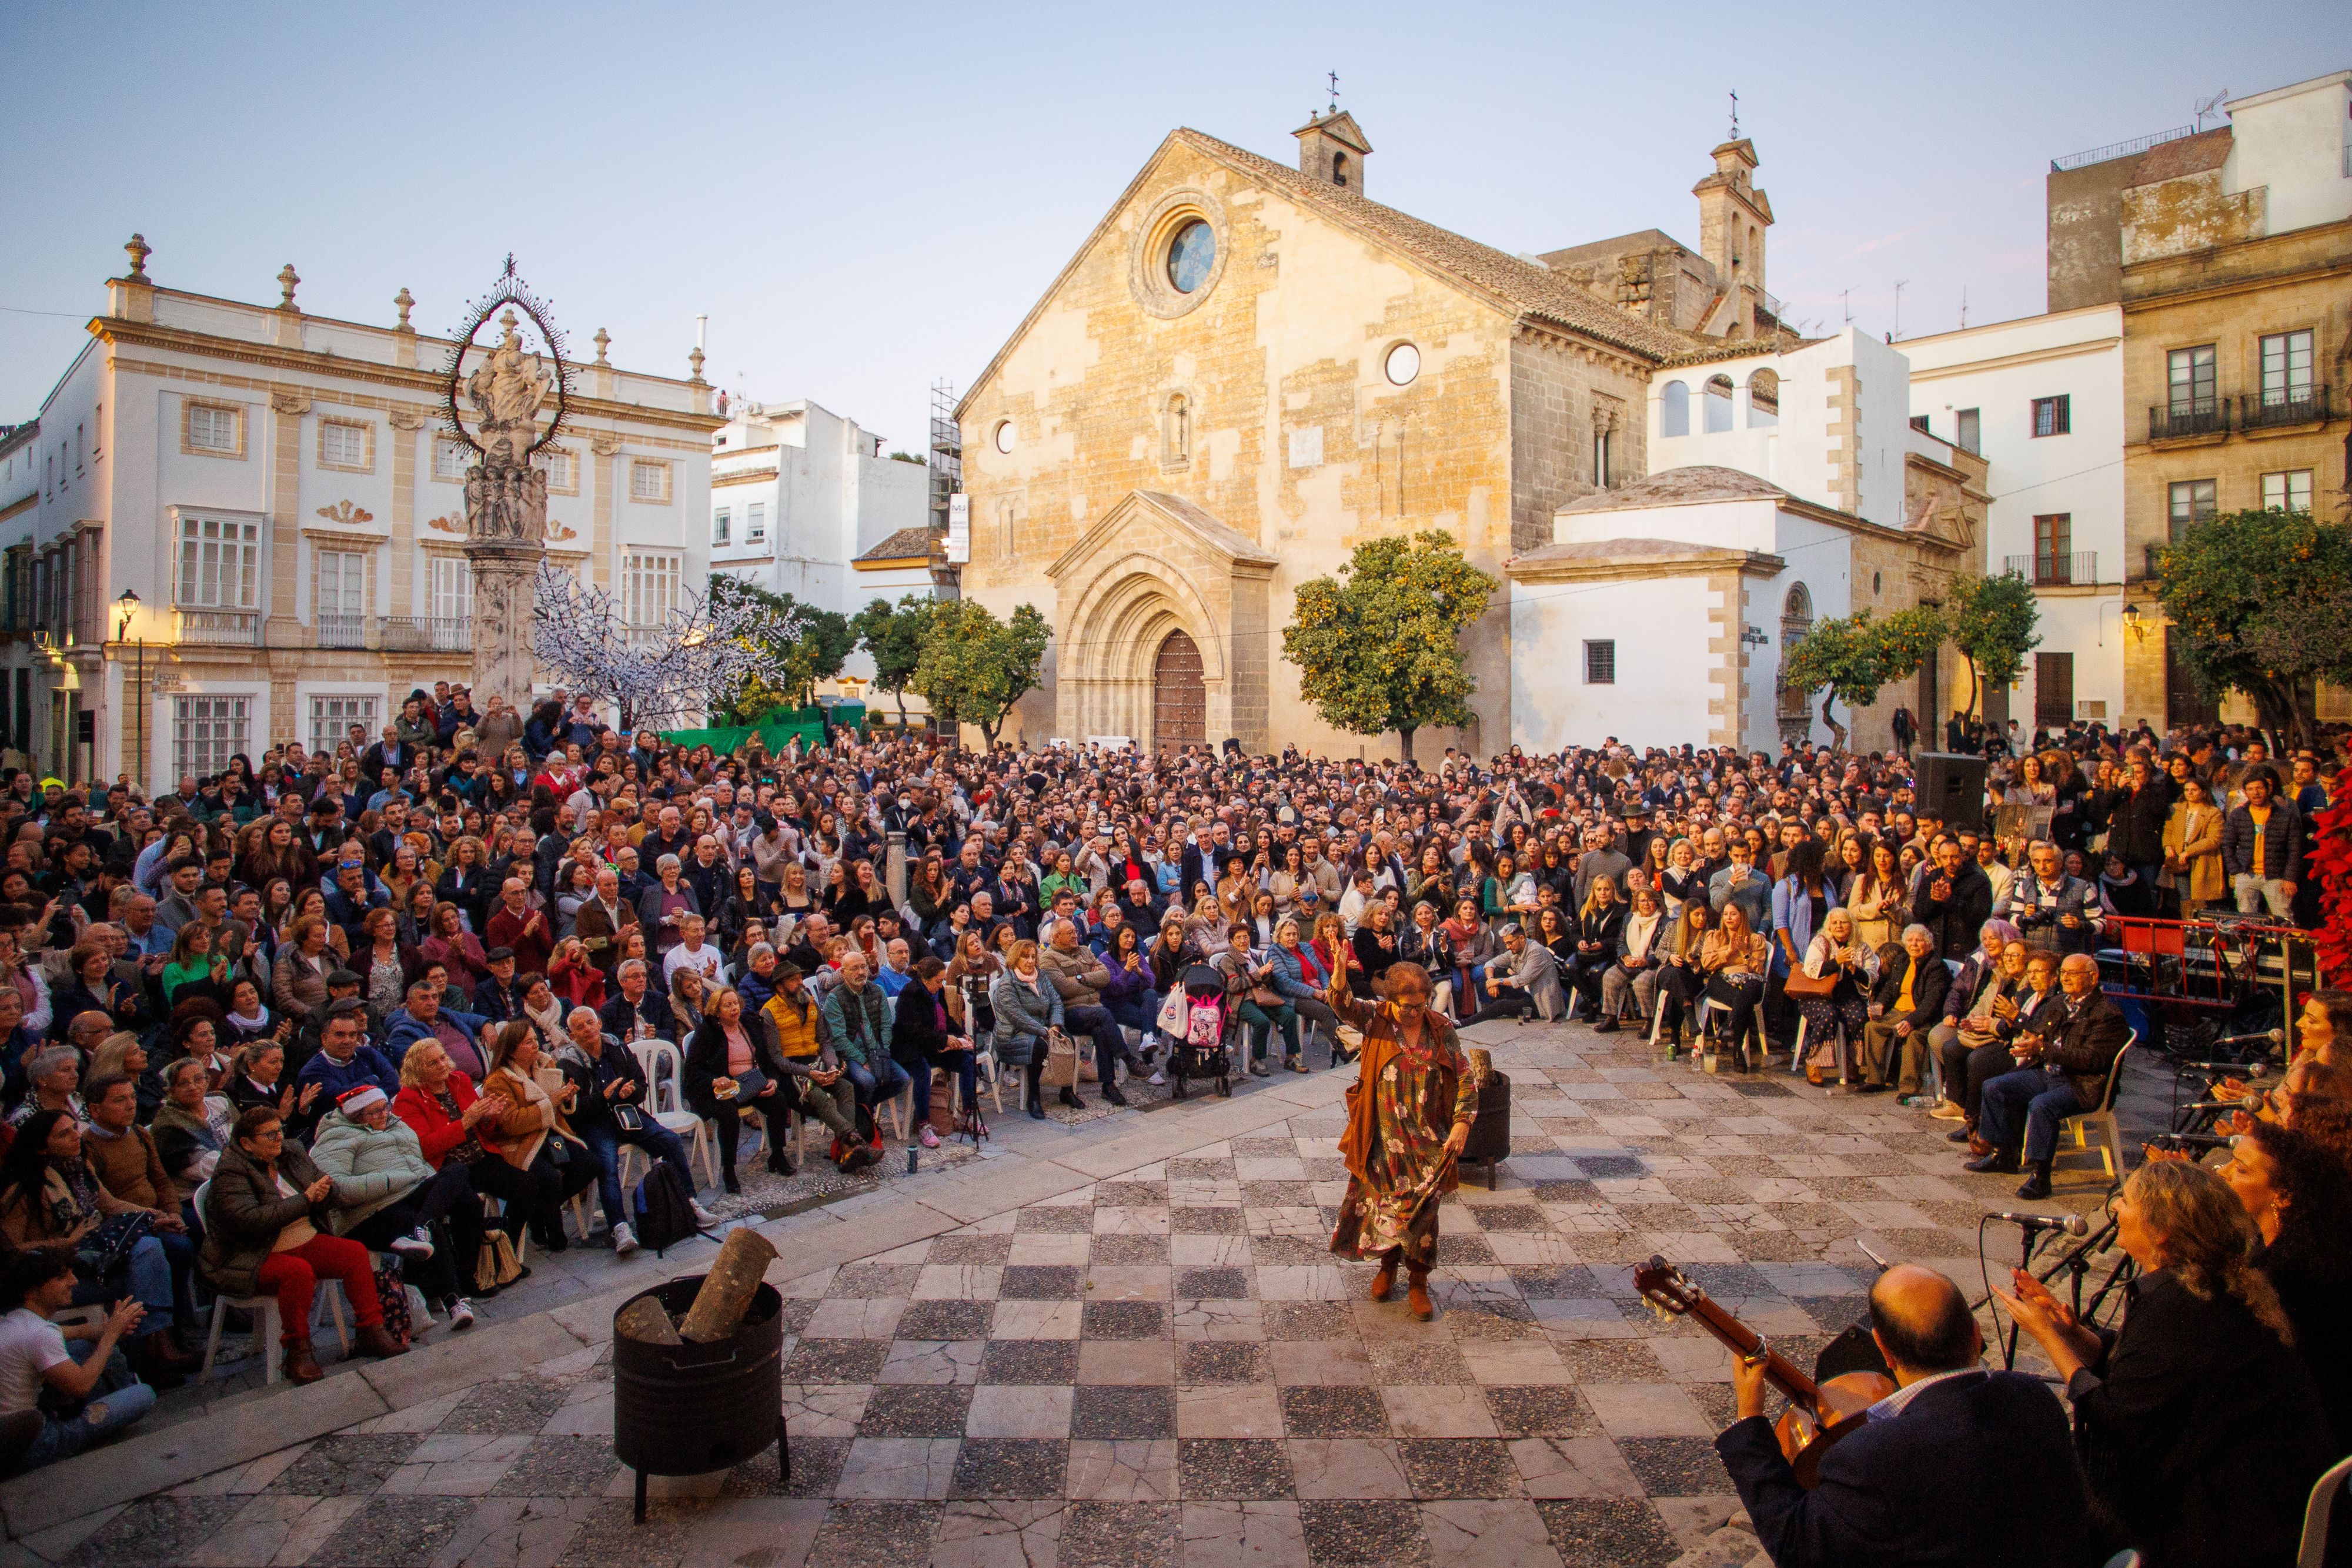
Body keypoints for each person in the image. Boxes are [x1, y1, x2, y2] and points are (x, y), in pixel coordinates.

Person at [1996, 1161, 2333, 1568]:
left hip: (2232, 1524)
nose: (2116, 1205)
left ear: (2162, 1231)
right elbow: (2151, 1375)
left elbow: (2116, 1422)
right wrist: (2074, 1335)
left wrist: (2048, 1337)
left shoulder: (2180, 1306)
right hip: (2253, 1500)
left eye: (2128, 1199)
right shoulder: (2203, 1284)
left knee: (2039, 1500)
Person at [1715, 1263, 2091, 1567]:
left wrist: (1750, 1417)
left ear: (1883, 1350)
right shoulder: (2034, 1397)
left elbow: (1796, 1545)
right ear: (1976, 1335)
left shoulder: (1874, 1458)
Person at [199, 1107, 408, 1385]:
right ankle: (297, 1349)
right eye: (270, 1134)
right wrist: (306, 1200)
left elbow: (322, 1188)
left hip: (302, 1238)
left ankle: (371, 1331)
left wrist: (325, 1193)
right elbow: (249, 1222)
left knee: (354, 1253)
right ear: (247, 1143)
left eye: (280, 1131)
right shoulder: (231, 1174)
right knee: (297, 1272)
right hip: (254, 1254)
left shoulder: (290, 1153)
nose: (278, 1138)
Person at [1326, 962, 1475, 1323]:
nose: (1412, 1013)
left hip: (1427, 1141)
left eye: (1420, 1006)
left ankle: (1418, 1282)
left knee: (1423, 1215)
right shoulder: (1376, 1020)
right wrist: (1339, 979)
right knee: (1382, 1207)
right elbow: (1343, 1005)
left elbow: (1465, 1075)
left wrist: (1461, 1124)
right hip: (1382, 1137)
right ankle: (1388, 1269)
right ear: (1390, 1001)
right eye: (1405, 1006)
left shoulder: (1439, 1028)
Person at [2219, 1119, 2352, 1450]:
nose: (2223, 1174)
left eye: (2242, 1170)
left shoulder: (2282, 1274)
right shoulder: (2311, 1245)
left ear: (2285, 1195)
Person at [308, 1085, 476, 1330]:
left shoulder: (396, 1124)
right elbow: (337, 1189)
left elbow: (418, 1164)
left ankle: (429, 1231)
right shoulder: (337, 1137)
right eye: (373, 1113)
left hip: (409, 1192)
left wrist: (422, 1183)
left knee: (459, 1178)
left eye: (384, 1108)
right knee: (428, 1221)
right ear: (356, 1116)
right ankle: (454, 1301)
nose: (383, 1116)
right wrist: (393, 1180)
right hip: (369, 1211)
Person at [1967, 953, 2130, 1199]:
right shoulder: (2059, 1003)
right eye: (2063, 973)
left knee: (2042, 1105)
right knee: (1994, 1086)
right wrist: (2028, 1043)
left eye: (2072, 974)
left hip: (2081, 1083)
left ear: (2093, 978)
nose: (2065, 978)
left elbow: (2091, 1060)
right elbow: (2037, 1031)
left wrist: (2042, 1049)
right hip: (2048, 1073)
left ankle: (2041, 1177)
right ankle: (2003, 1154)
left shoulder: (2107, 1014)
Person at [557, 1007, 709, 1250]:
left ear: (599, 1024)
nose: (587, 1029)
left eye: (590, 1023)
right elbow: (574, 1111)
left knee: (669, 1141)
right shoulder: (568, 1063)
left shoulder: (616, 1048)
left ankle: (689, 1201)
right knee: (607, 1162)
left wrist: (632, 1092)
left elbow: (641, 1082)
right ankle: (619, 1226)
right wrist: (604, 1098)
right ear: (572, 1035)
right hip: (596, 1122)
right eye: (580, 1027)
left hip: (626, 1113)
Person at [0, 1252, 156, 1475]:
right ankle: (123, 1391)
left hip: (25, 1422)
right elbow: (81, 1386)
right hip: (35, 1444)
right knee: (144, 1394)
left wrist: (96, 1331)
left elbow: (61, 1333)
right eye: (62, 1278)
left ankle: (115, 1392)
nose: (74, 1282)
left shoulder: (12, 1321)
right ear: (32, 1292)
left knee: (86, 1348)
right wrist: (111, 1335)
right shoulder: (40, 1333)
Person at [759, 964, 867, 1176]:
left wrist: (832, 1066)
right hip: (791, 1069)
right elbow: (777, 1059)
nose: (800, 983)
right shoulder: (769, 1012)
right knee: (818, 1096)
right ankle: (855, 1143)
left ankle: (848, 1150)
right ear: (780, 988)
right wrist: (809, 1073)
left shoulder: (810, 1003)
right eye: (793, 980)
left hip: (816, 1061)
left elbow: (825, 1041)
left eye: (800, 978)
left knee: (846, 1087)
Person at [889, 958, 977, 1146]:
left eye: (943, 980)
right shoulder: (910, 995)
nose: (941, 984)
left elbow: (946, 1019)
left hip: (933, 1044)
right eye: (938, 981)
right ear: (926, 979)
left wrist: (961, 1034)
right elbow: (914, 1030)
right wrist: (944, 1039)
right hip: (909, 1047)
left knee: (967, 1060)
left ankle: (968, 1114)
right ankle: (924, 1125)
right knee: (923, 1072)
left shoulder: (938, 992)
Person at [1857, 925, 1948, 1095]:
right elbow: (1891, 989)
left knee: (1913, 1036)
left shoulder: (1936, 967)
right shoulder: (1903, 960)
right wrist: (1879, 1005)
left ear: (1928, 944)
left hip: (1921, 1016)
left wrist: (1911, 1022)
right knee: (1872, 1027)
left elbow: (1932, 1003)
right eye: (1910, 940)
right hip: (1898, 1011)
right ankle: (1875, 1079)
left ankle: (1909, 1088)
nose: (1914, 944)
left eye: (1919, 940)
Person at [1793, 906, 1877, 1086]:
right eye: (1835, 922)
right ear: (1829, 926)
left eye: (1843, 922)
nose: (1839, 926)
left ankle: (1852, 1063)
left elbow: (1872, 976)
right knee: (1827, 1015)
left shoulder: (1861, 947)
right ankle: (1814, 1063)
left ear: (1852, 926)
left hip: (1847, 996)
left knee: (1859, 1017)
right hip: (1817, 995)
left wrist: (1854, 969)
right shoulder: (1821, 942)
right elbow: (1811, 969)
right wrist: (1836, 962)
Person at [991, 941, 1064, 1119]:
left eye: (1033, 956)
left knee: (1065, 1039)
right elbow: (1018, 1017)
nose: (1031, 961)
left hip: (1042, 1028)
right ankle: (1033, 1097)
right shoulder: (1008, 983)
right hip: (1012, 1034)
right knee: (1039, 1047)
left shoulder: (1041, 976)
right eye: (1025, 957)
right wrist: (1045, 1031)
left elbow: (1056, 1001)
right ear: (1015, 958)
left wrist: (1055, 1025)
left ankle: (1067, 1089)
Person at [2221, 765, 2302, 920]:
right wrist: (2235, 869)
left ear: (2268, 790)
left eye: (2259, 788)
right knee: (2246, 920)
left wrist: (2290, 878)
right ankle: (2249, 945)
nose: (2256, 793)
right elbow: (2228, 844)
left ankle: (2285, 945)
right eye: (2250, 789)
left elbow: (2295, 850)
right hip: (2247, 874)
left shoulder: (2286, 816)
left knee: (2283, 918)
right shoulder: (2238, 815)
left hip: (2276, 876)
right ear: (2245, 792)